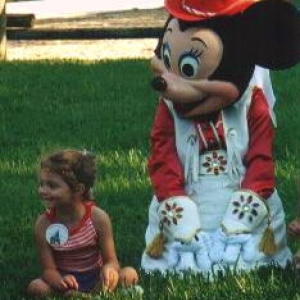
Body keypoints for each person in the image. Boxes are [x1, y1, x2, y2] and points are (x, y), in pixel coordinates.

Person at [141, 0, 300, 273]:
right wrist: (175, 202)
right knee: (178, 249)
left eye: (188, 69)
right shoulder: (168, 109)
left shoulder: (252, 104)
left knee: (248, 258)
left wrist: (247, 205)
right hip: (188, 195)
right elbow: (162, 156)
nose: (169, 84)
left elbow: (261, 159)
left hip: (239, 196)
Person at [27, 149, 139, 299]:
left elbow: (111, 261)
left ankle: (90, 294)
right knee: (36, 287)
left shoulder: (98, 219)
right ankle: (82, 295)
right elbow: (48, 270)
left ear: (78, 189)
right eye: (42, 184)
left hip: (96, 277)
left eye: (52, 186)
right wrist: (60, 281)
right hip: (65, 280)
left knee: (129, 274)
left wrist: (109, 270)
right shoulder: (44, 224)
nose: (42, 190)